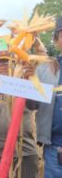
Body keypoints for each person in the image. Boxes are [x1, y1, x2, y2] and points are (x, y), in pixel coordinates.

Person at [0, 51, 39, 178]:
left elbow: (35, 105)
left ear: (16, 66)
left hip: (23, 153)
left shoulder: (24, 84)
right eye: (0, 63)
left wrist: (31, 80)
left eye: (8, 63)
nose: (3, 66)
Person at [27, 16, 62, 177]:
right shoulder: (44, 69)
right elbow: (32, 105)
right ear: (56, 40)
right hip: (56, 148)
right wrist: (27, 83)